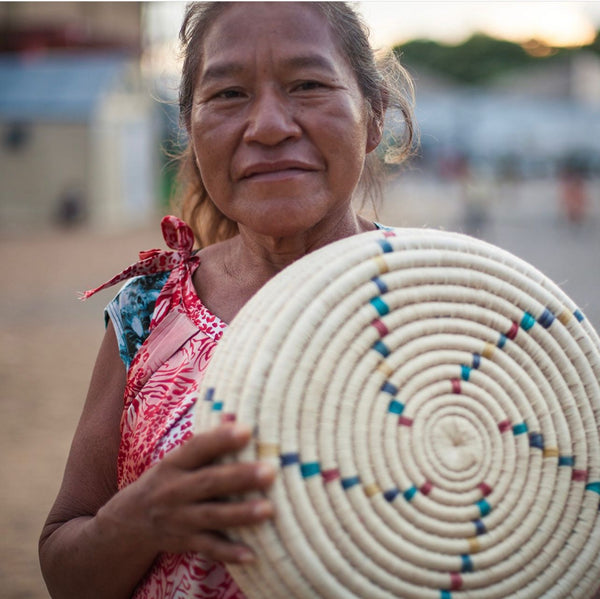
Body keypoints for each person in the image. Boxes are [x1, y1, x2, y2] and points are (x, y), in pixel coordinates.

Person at [38, 2, 416, 597]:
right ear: (190, 128)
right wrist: (137, 521)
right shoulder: (150, 308)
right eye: (228, 94)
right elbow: (65, 567)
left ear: (373, 119)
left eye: (309, 85)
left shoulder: (453, 300)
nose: (267, 125)